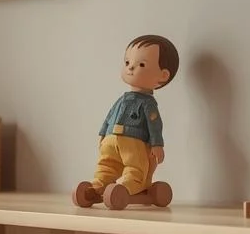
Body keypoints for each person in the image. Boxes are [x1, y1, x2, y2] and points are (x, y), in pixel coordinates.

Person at [73, 34, 179, 211]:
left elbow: (155, 124)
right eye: (127, 62)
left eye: (141, 64)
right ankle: (98, 185)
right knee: (108, 165)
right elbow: (109, 116)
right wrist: (103, 132)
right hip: (114, 140)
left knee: (133, 167)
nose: (130, 68)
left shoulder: (148, 104)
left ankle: (125, 186)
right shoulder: (122, 99)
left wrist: (157, 144)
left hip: (133, 141)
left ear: (163, 76)